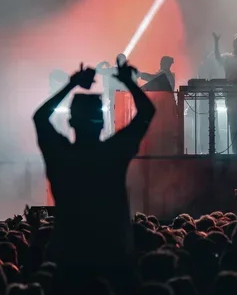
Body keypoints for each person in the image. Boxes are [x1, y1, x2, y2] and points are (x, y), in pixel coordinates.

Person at [33, 60, 155, 279]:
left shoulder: (61, 155)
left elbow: (39, 117)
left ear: (70, 121)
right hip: (112, 259)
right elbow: (147, 111)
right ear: (101, 123)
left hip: (69, 260)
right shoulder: (112, 154)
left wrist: (72, 84)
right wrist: (128, 81)